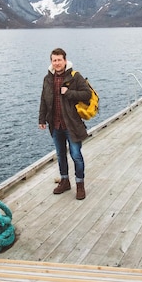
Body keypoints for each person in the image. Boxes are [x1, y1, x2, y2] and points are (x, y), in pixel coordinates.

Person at [38, 48, 91, 200]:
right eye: (54, 60)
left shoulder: (75, 77)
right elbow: (43, 100)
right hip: (55, 125)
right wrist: (41, 119)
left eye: (59, 60)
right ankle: (65, 181)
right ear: (51, 62)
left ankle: (80, 185)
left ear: (65, 61)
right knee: (61, 155)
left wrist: (68, 93)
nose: (57, 63)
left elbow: (86, 94)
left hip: (72, 125)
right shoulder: (47, 79)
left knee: (76, 156)